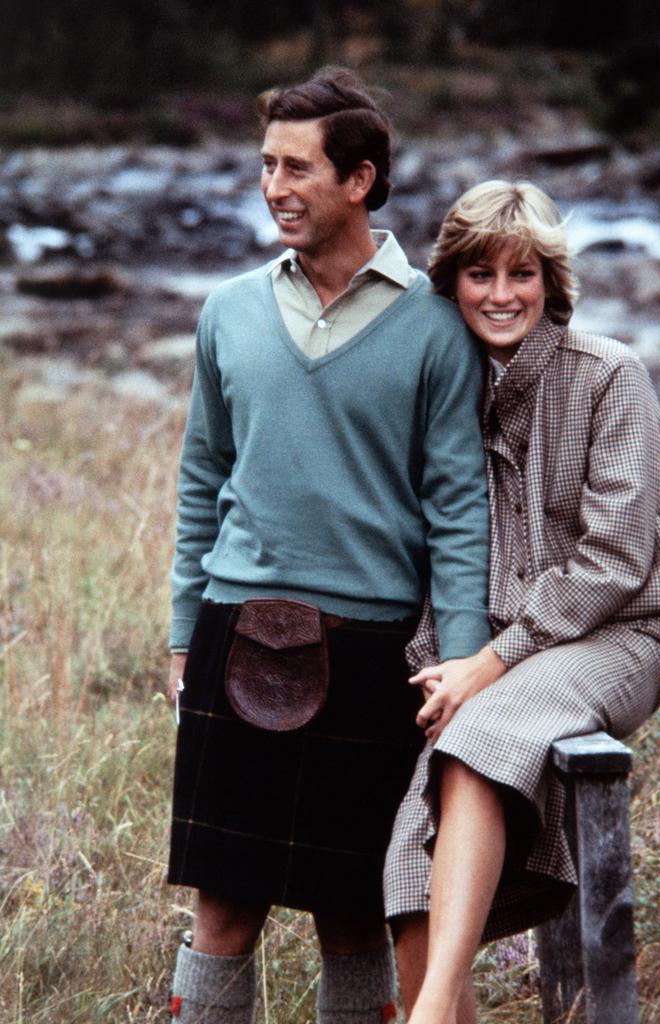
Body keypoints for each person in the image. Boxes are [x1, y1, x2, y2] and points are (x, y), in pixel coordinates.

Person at [163, 69, 492, 1024]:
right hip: (236, 629)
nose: (274, 187)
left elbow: (458, 507)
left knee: (356, 909)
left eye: (298, 168)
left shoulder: (437, 325)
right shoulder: (227, 310)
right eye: (266, 165)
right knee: (222, 902)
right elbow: (200, 479)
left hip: (372, 650)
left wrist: (461, 665)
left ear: (361, 178)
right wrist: (186, 631)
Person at [383, 179, 660, 1024]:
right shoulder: (443, 395)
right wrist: (445, 663)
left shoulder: (610, 376)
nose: (501, 295)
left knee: (481, 731)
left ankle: (424, 1017)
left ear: (550, 283)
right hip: (500, 660)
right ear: (450, 283)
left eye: (521, 275)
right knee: (406, 866)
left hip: (619, 638)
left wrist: (487, 664)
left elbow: (615, 561)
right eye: (480, 274)